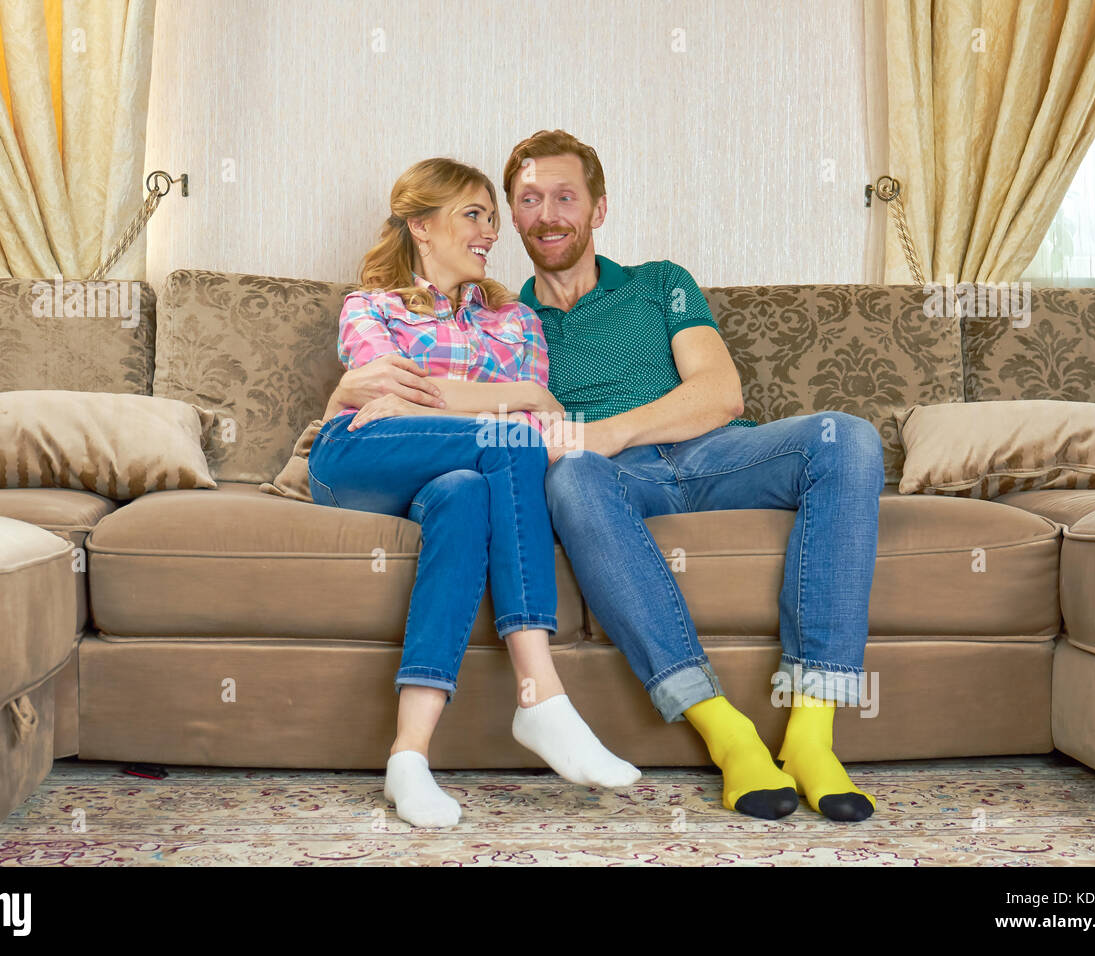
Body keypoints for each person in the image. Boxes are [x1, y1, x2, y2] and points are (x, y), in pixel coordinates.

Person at [325, 133, 882, 823]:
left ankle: (812, 734)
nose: (547, 214)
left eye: (566, 197)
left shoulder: (658, 284)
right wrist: (349, 397)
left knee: (846, 438)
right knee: (572, 476)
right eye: (527, 201)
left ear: (599, 208)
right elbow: (470, 414)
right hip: (604, 483)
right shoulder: (509, 315)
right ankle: (726, 732)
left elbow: (720, 394)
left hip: (717, 455)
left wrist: (603, 431)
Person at [310, 157, 640, 829]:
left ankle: (408, 757)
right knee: (505, 444)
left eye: (493, 216)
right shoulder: (371, 306)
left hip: (446, 474)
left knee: (467, 493)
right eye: (473, 214)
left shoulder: (516, 320)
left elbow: (534, 426)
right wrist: (514, 393)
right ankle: (541, 695)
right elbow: (389, 398)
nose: (491, 230)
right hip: (357, 457)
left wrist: (485, 406)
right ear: (420, 227)